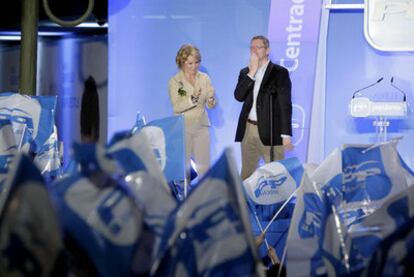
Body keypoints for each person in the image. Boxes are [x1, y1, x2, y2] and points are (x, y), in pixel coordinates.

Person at [234, 35, 294, 180]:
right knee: (247, 173)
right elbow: (238, 96)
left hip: (271, 129)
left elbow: (285, 104)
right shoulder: (245, 73)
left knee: (276, 173)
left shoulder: (279, 73)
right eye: (252, 47)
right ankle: (246, 202)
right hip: (248, 129)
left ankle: (278, 203)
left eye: (258, 47)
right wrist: (252, 73)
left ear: (267, 50)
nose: (254, 51)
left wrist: (286, 135)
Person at [168, 44, 216, 178]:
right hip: (183, 128)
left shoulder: (204, 78)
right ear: (182, 62)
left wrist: (211, 99)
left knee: (204, 167)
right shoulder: (175, 82)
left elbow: (210, 105)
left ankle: (204, 196)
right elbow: (176, 106)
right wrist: (192, 99)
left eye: (197, 62)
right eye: (190, 63)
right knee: (185, 169)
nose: (194, 66)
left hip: (201, 126)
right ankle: (185, 196)